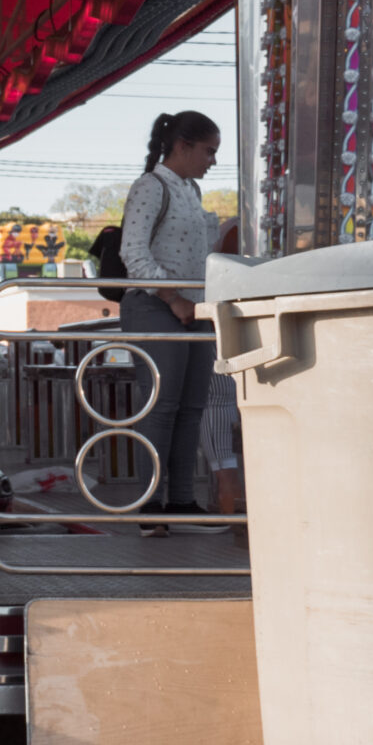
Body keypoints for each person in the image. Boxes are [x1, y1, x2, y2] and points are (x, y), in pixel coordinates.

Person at [118, 110, 221, 525]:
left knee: (191, 405)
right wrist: (172, 296)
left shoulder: (190, 191)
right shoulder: (150, 186)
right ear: (182, 146)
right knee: (161, 406)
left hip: (192, 307)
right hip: (155, 305)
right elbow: (133, 253)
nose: (212, 160)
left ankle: (180, 498)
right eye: (209, 151)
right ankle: (150, 504)